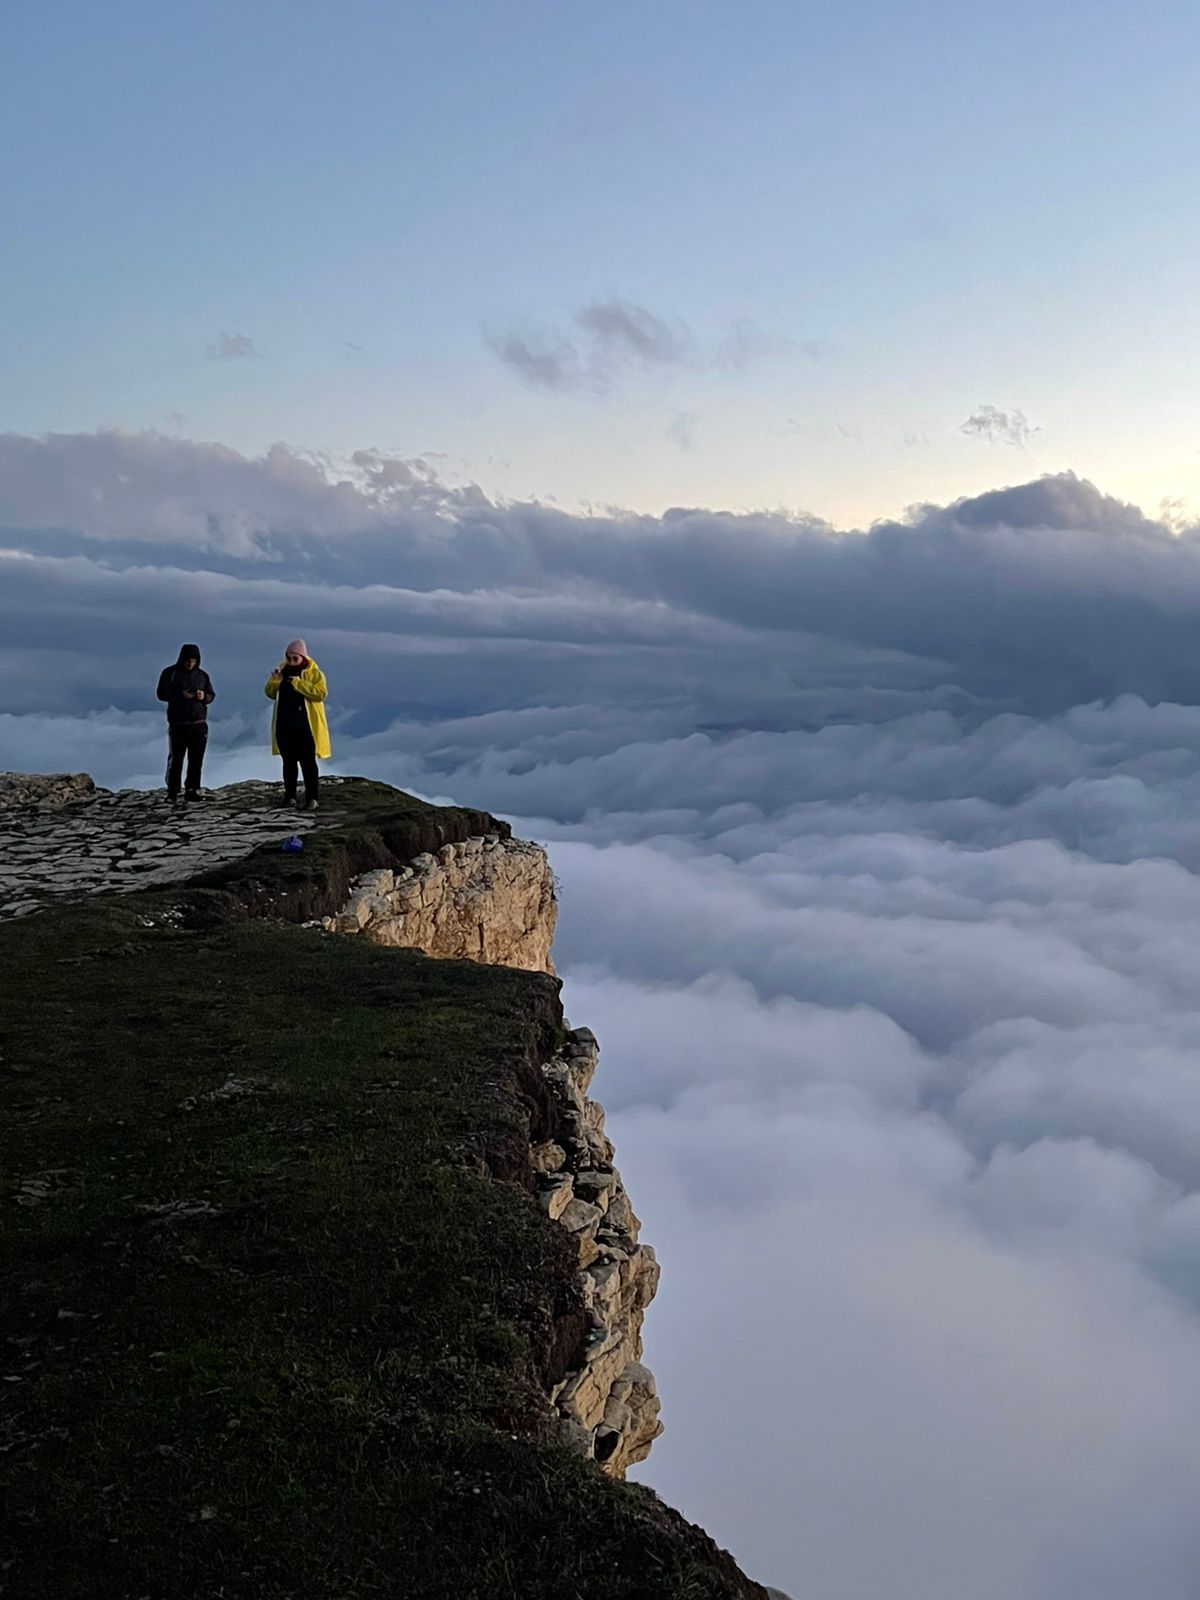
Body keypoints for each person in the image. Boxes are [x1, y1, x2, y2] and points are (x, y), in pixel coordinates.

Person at [264, 639, 330, 809]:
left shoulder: (314, 673)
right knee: (289, 763)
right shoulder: (281, 671)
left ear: (303, 657)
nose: (291, 661)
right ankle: (290, 797)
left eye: (295, 658)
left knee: (308, 763)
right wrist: (275, 682)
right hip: (284, 725)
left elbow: (320, 693)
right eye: (289, 658)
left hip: (306, 727)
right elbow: (270, 693)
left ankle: (312, 798)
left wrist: (298, 683)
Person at [156, 643, 215, 802]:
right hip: (178, 723)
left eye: (194, 661)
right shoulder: (170, 673)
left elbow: (211, 694)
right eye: (188, 660)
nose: (190, 664)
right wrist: (182, 696)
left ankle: (192, 789)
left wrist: (205, 697)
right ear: (182, 659)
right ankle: (172, 791)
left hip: (199, 723)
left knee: (196, 759)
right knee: (177, 758)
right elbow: (161, 693)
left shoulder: (203, 676)